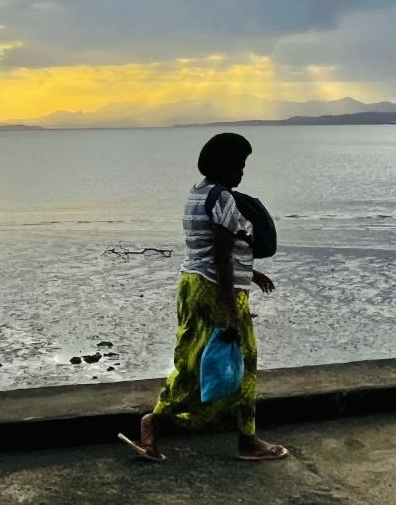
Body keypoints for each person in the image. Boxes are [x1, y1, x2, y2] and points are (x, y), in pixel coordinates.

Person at [120, 132, 288, 462]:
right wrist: (229, 312)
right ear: (223, 166)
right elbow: (221, 258)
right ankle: (247, 441)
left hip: (192, 285)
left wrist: (252, 273)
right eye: (238, 165)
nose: (242, 172)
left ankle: (155, 422)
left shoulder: (196, 195)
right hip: (217, 291)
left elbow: (208, 248)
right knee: (244, 363)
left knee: (191, 361)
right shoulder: (223, 199)